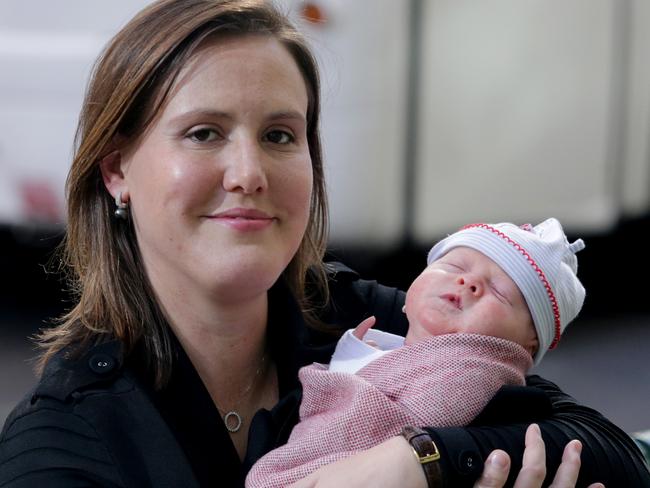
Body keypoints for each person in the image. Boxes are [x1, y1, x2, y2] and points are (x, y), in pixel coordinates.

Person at [0, 1, 647, 487]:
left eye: (281, 135)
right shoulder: (60, 446)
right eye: (203, 132)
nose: (249, 173)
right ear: (117, 171)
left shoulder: (343, 311)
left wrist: (413, 461)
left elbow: (608, 448)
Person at [246, 218, 587, 487]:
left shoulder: (476, 371)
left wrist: (342, 378)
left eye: (499, 292)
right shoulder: (398, 345)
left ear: (525, 345)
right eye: (455, 267)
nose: (468, 283)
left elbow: (393, 420)